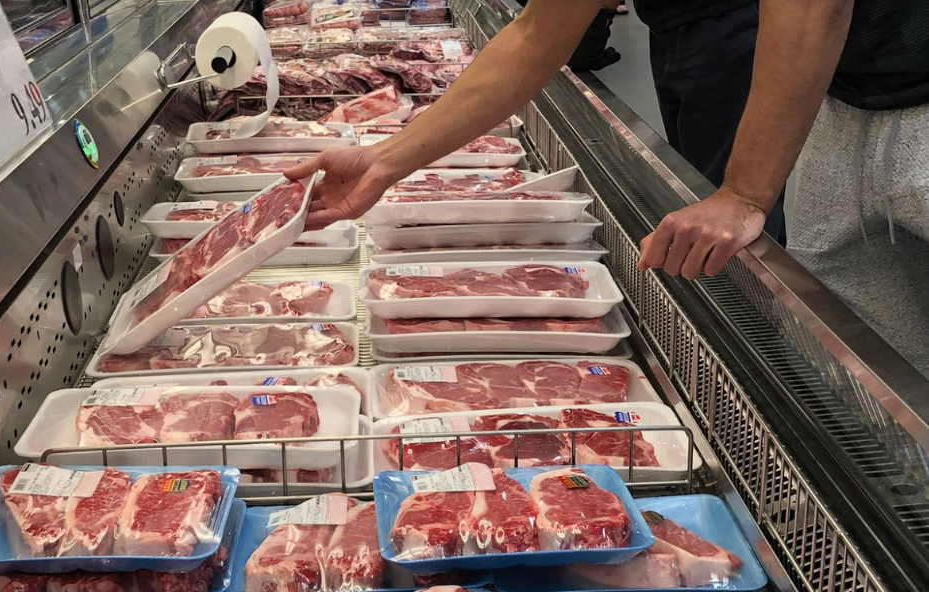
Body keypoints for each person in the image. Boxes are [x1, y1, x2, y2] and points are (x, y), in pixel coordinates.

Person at [284, 0, 929, 372]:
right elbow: (537, 33)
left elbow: (812, 6)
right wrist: (385, 162)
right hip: (842, 102)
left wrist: (743, 194)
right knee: (876, 375)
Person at [638, 0, 786, 244]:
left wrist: (744, 196)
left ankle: (745, 268)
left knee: (732, 211)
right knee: (696, 186)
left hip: (726, 20)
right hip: (668, 25)